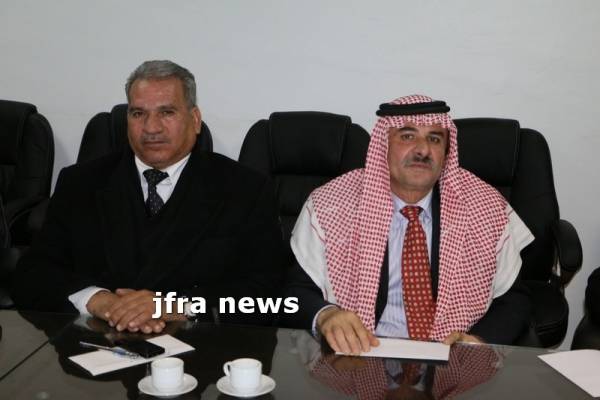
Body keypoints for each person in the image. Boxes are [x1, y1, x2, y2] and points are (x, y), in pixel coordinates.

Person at [12, 60, 285, 333]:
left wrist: (177, 306)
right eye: (138, 113)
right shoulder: (80, 183)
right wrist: (96, 299)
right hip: (97, 345)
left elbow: (267, 296)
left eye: (167, 112)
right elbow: (33, 274)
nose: (151, 128)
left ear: (194, 120)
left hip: (198, 350)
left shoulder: (245, 189)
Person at [282, 95, 534, 354]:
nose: (423, 150)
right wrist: (325, 315)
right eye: (407, 136)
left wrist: (479, 340)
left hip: (451, 354)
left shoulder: (485, 206)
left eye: (434, 139)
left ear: (446, 153)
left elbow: (514, 299)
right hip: (360, 351)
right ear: (383, 145)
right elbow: (295, 292)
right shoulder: (331, 203)